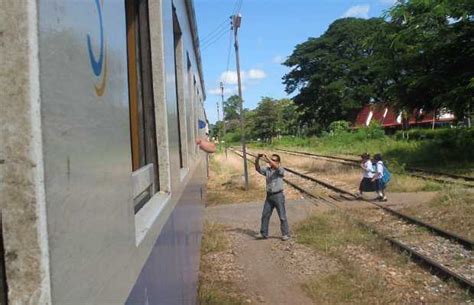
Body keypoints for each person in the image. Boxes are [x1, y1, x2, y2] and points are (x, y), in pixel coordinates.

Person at [255, 153, 290, 241]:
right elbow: (257, 168)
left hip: (278, 195)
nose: (271, 161)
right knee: (265, 215)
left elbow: (277, 167)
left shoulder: (280, 170)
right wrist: (257, 158)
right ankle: (264, 233)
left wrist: (268, 159)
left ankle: (286, 234)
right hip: (269, 196)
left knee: (282, 216)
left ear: (278, 162)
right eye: (271, 159)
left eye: (274, 160)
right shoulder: (267, 170)